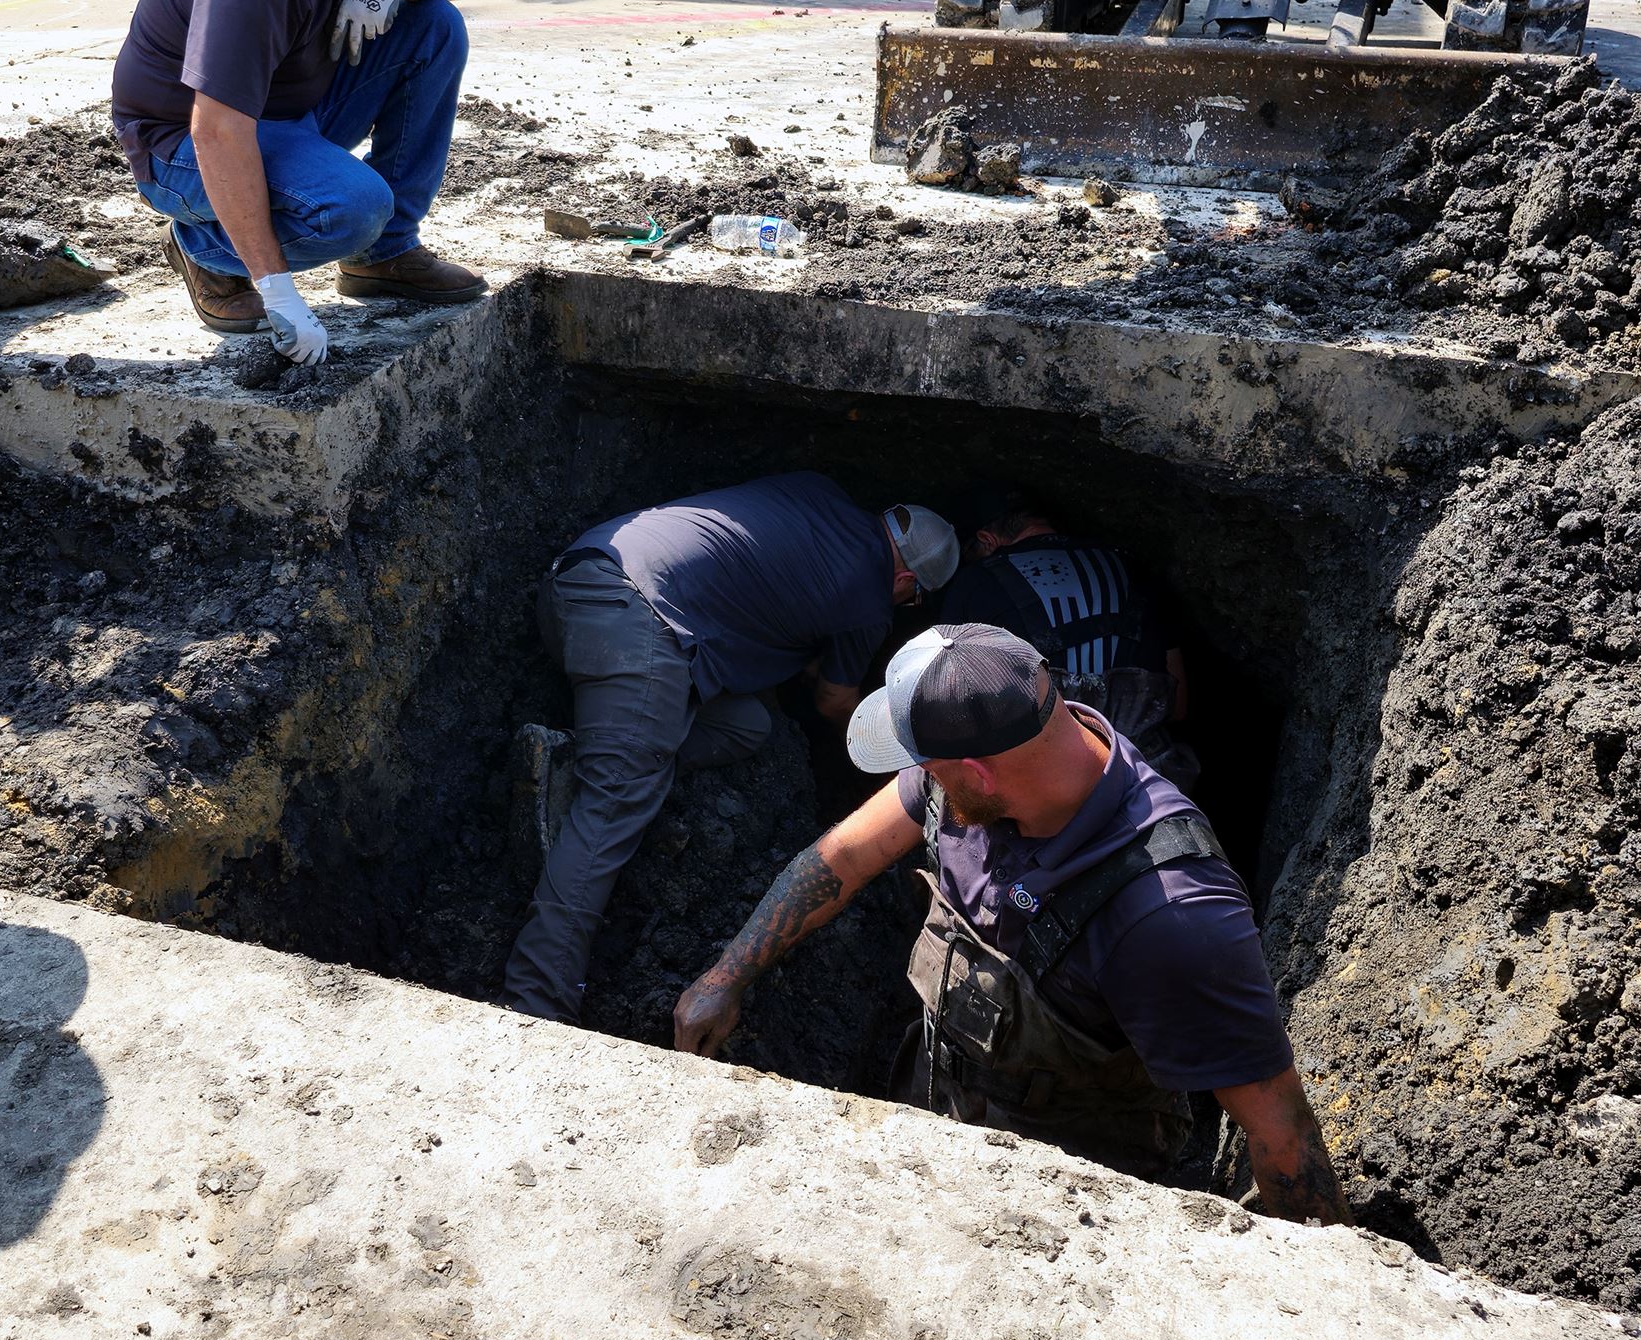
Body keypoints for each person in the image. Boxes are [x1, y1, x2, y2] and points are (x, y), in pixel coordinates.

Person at [672, 624, 1348, 1224]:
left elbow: (1279, 1126)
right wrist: (727, 976)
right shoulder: (996, 743)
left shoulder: (1169, 915)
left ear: (978, 775)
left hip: (1071, 1180)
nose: (916, 779)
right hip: (941, 1082)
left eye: (924, 766)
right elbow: (845, 856)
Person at [503, 476, 960, 1021]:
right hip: (638, 615)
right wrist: (884, 769)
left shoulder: (822, 498)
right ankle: (535, 1002)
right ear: (907, 579)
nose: (906, 604)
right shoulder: (869, 596)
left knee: (746, 725)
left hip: (581, 585)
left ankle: (581, 756)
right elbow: (837, 702)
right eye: (914, 598)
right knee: (617, 802)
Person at [111, 0, 484, 363]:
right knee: (352, 208)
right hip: (185, 143)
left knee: (435, 26)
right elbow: (217, 130)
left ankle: (382, 256)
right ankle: (206, 249)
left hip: (289, 106)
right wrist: (277, 289)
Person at [936, 484, 1196, 786]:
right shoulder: (1132, 568)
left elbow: (950, 713)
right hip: (1148, 780)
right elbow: (1178, 707)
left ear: (986, 540)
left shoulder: (974, 582)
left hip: (1044, 785)